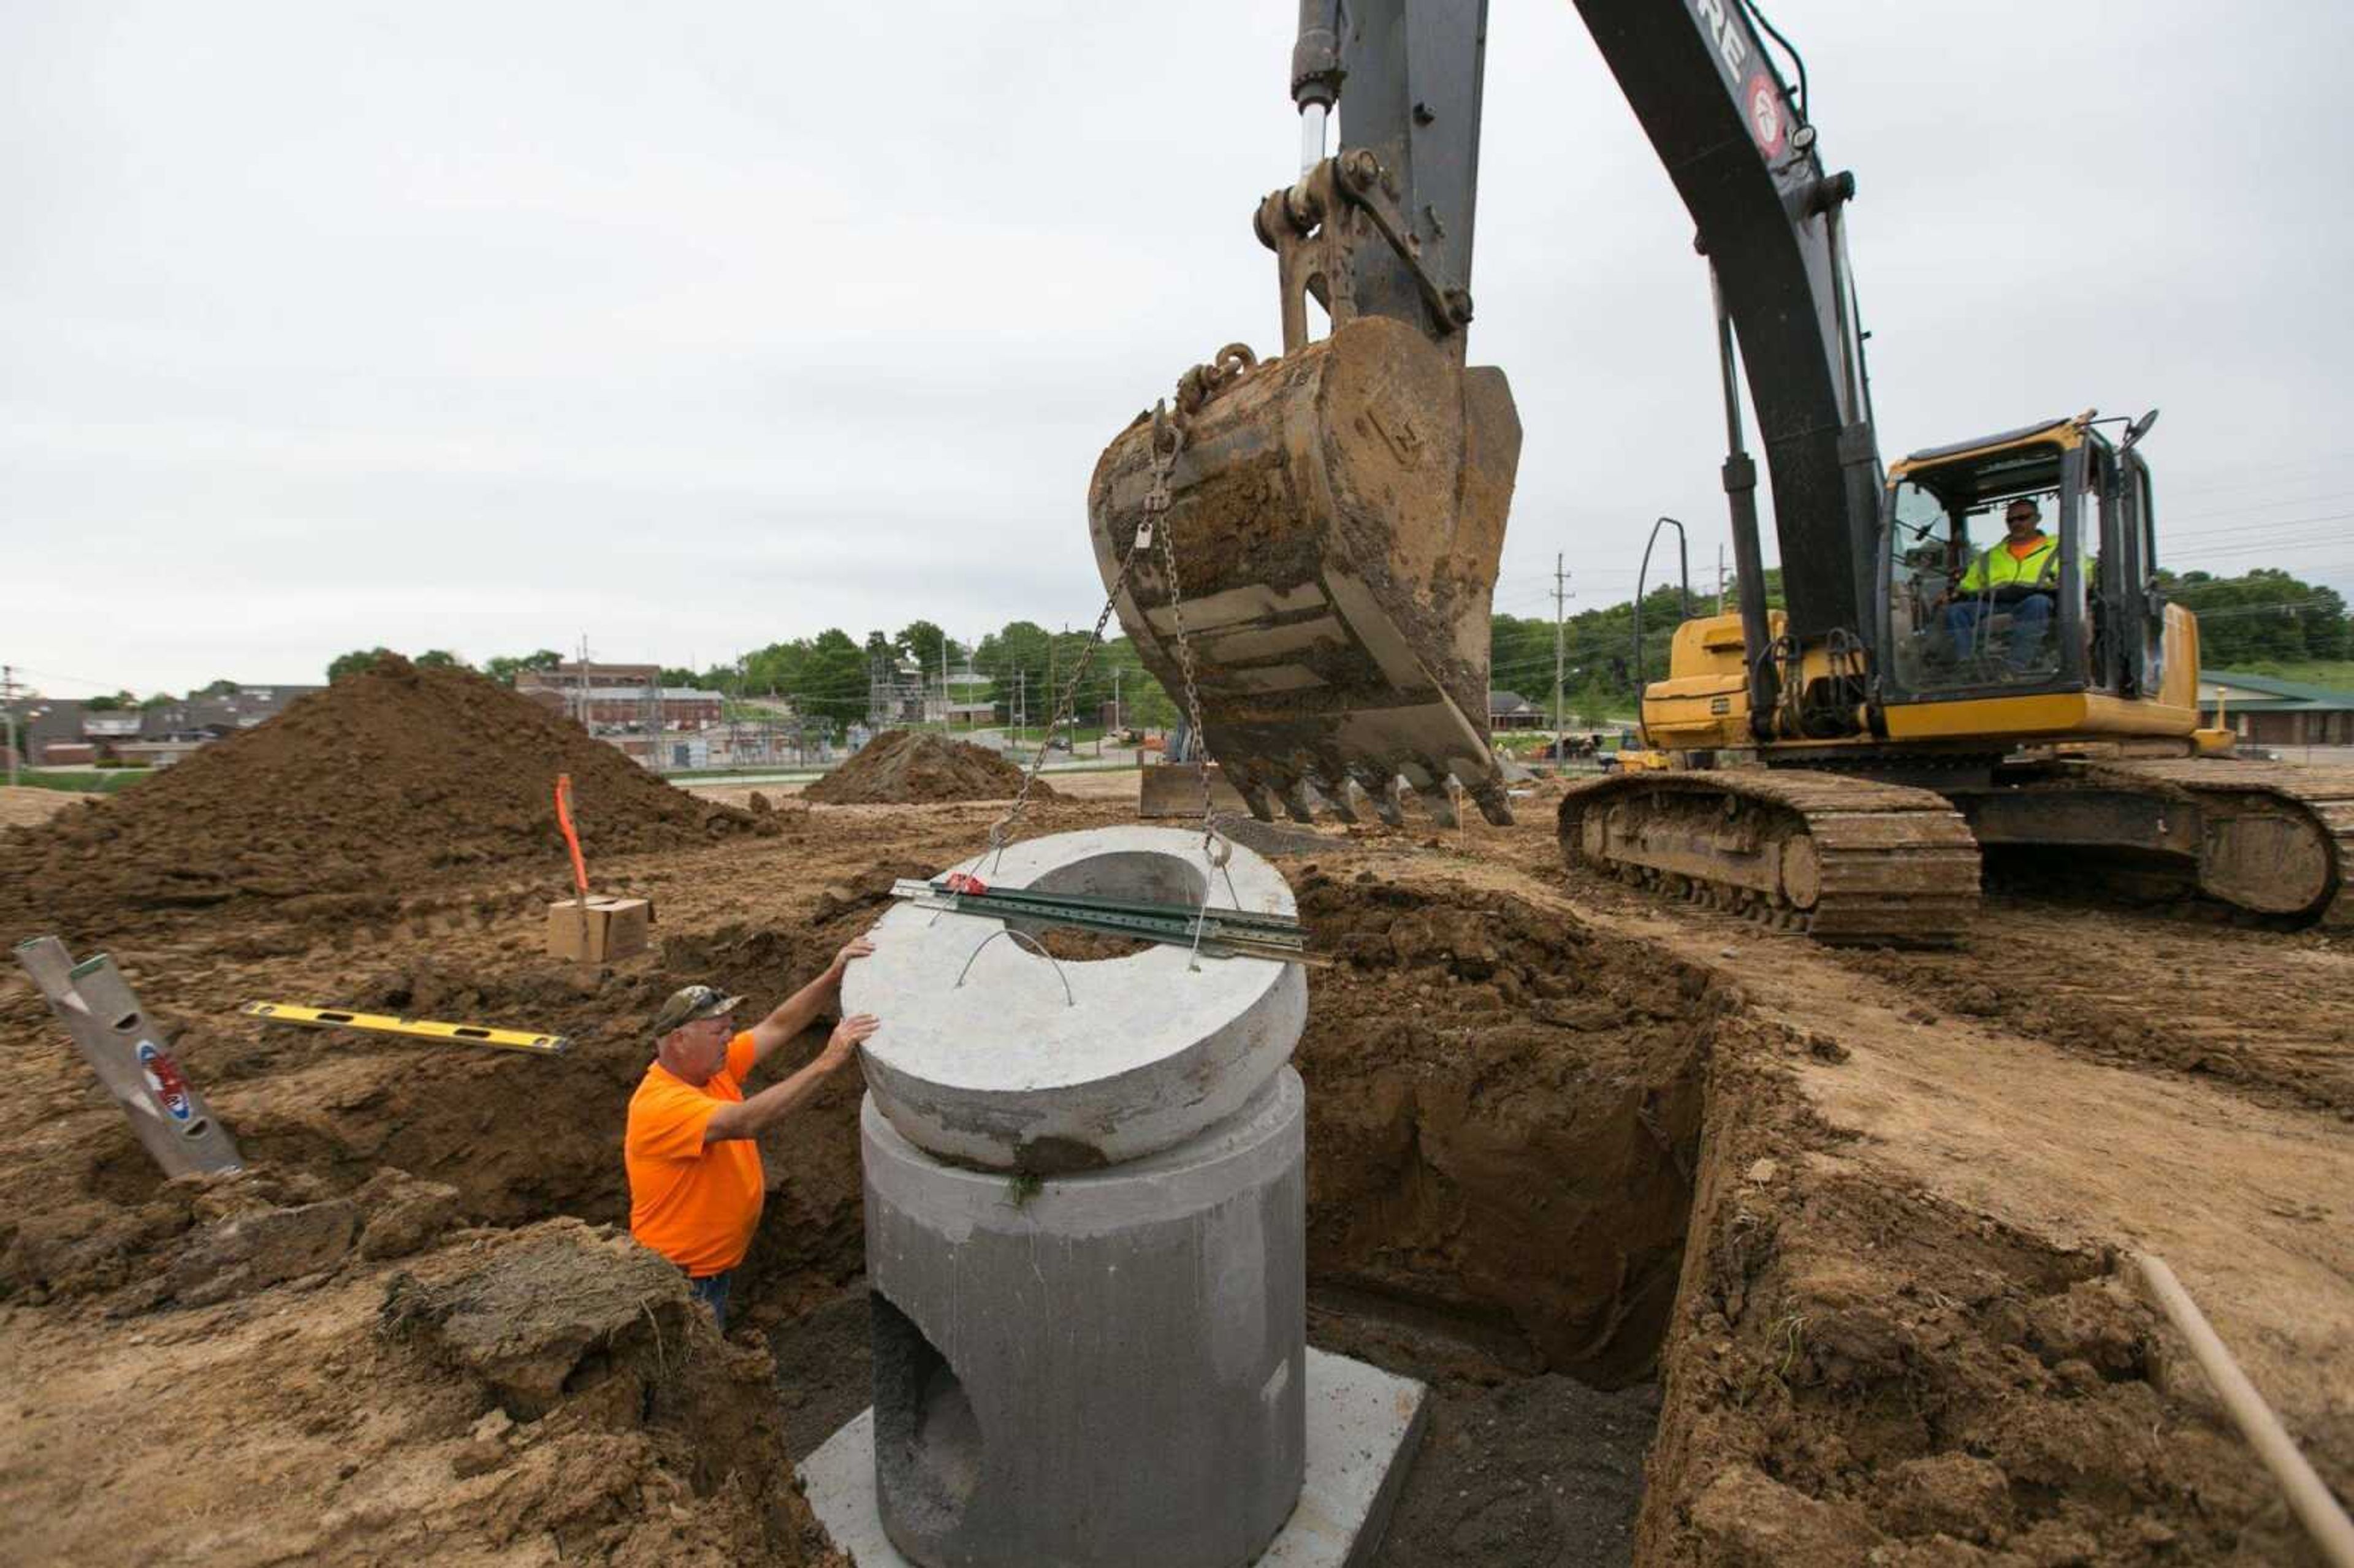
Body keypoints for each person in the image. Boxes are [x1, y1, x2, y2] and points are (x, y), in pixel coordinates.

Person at [625, 939, 879, 1331]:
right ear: (679, 1040)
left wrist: (832, 975)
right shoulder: (661, 1105)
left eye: (730, 1028)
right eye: (717, 1031)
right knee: (691, 1377)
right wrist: (828, 1062)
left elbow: (779, 1025)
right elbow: (744, 1122)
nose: (729, 1038)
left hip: (710, 1270)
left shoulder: (711, 1069)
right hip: (682, 1280)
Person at [1943, 498, 2068, 671]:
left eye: (2023, 518)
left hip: (2033, 604)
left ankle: (2015, 666)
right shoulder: (1989, 557)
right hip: (1994, 604)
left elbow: (2084, 574)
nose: (2016, 523)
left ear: (2037, 518)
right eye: (2011, 520)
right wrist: (1953, 594)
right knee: (1956, 611)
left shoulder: (2061, 549)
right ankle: (1967, 664)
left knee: (2039, 602)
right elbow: (1967, 587)